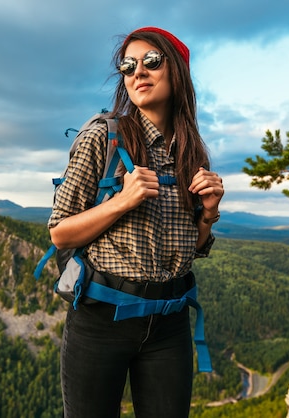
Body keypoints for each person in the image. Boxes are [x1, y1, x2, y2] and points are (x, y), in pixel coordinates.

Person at [48, 26, 224, 418]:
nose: (137, 72)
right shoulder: (104, 137)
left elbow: (190, 249)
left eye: (151, 62)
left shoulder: (191, 154)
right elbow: (59, 232)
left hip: (169, 323)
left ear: (176, 70)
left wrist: (209, 214)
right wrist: (122, 202)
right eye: (128, 66)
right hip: (100, 319)